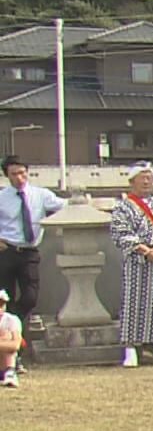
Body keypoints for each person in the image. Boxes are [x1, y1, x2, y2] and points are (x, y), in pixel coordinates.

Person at [109, 162, 153, 366]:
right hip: (136, 261)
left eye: (150, 177)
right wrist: (145, 251)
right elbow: (120, 233)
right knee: (133, 302)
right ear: (132, 181)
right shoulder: (123, 206)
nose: (147, 181)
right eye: (143, 177)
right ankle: (131, 348)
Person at [1, 155, 67, 364]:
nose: (20, 178)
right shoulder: (2, 197)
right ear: (7, 176)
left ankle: (12, 323)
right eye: (14, 174)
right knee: (5, 295)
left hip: (30, 251)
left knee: (30, 296)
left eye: (23, 173)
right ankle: (12, 352)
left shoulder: (40, 195)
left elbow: (64, 206)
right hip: (6, 250)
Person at [0, 288, 19, 387]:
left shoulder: (12, 320)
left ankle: (9, 373)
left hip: (4, 362)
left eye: (1, 304)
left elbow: (15, 345)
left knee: (7, 336)